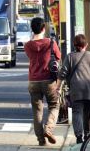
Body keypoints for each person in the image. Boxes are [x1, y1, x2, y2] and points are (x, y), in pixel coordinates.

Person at [24, 17, 62, 146]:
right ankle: (49, 128)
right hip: (49, 80)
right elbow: (58, 57)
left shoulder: (28, 45)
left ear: (32, 29)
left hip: (33, 81)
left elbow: (30, 56)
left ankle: (41, 140)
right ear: (44, 28)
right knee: (54, 105)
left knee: (37, 110)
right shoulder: (51, 42)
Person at [60, 34, 90, 144]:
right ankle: (88, 135)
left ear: (74, 45)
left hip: (76, 90)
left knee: (77, 112)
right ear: (86, 45)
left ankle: (79, 137)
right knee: (88, 113)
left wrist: (57, 87)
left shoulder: (70, 57)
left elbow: (63, 73)